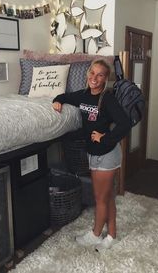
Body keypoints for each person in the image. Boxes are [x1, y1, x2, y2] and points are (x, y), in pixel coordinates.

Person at [52, 59, 131, 251]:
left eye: (100, 75)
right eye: (92, 73)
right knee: (107, 196)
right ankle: (111, 235)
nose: (94, 78)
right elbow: (65, 96)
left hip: (106, 153)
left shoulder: (108, 99)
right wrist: (57, 100)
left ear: (106, 79)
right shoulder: (83, 95)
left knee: (100, 198)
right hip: (93, 154)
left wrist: (105, 138)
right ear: (88, 73)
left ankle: (96, 235)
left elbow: (125, 124)